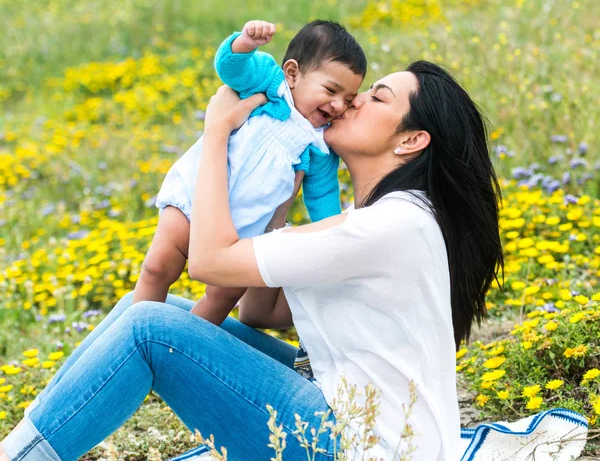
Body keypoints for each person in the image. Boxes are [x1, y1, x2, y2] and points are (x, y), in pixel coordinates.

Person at [0, 61, 503, 461]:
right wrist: (282, 186)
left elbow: (210, 262)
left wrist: (218, 132)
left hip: (359, 448)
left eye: (378, 97)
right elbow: (260, 314)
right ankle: (27, 440)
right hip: (344, 409)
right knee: (153, 307)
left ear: (410, 141)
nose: (355, 100)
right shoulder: (384, 216)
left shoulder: (387, 226)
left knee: (149, 329)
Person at [132, 19, 366, 326]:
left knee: (225, 295)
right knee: (158, 268)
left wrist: (334, 234)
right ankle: (132, 332)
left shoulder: (318, 143)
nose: (337, 105)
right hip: (194, 199)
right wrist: (245, 42)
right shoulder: (269, 83)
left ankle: (179, 344)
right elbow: (230, 68)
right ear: (293, 73)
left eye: (347, 100)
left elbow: (323, 195)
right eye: (331, 90)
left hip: (244, 231)